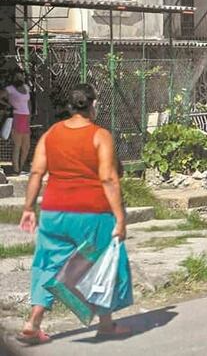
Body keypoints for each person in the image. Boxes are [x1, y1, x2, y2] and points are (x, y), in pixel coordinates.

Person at [18, 84, 133, 345]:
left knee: (47, 264)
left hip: (53, 212)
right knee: (102, 264)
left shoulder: (51, 134)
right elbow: (108, 177)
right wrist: (120, 217)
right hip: (92, 213)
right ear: (93, 105)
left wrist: (28, 208)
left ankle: (33, 322)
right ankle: (106, 325)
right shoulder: (100, 135)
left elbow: (36, 172)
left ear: (70, 107)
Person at [2, 70, 33, 175]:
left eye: (21, 76)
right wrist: (8, 105)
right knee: (17, 145)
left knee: (26, 146)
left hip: (26, 118)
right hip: (17, 116)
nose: (19, 78)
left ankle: (21, 167)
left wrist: (30, 116)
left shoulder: (26, 88)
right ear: (13, 78)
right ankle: (16, 169)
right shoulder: (10, 89)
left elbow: (28, 103)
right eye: (17, 77)